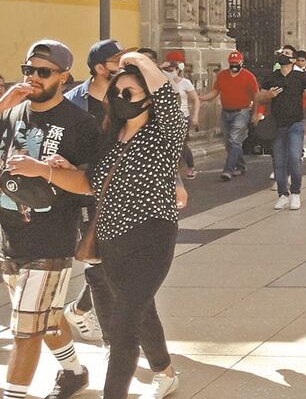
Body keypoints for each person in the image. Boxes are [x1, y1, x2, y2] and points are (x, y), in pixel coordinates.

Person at [82, 50, 188, 398]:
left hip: (151, 238)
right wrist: (51, 170)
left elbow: (168, 98)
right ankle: (166, 371)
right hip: (111, 242)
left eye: (130, 93)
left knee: (123, 325)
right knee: (141, 311)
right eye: (117, 94)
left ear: (148, 97)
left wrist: (137, 60)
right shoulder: (108, 139)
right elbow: (90, 184)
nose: (121, 99)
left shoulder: (163, 135)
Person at [0, 40, 100, 399]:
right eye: (29, 70)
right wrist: (2, 106)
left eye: (44, 72)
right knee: (45, 318)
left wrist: (42, 170)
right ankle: (74, 372)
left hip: (51, 239)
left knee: (25, 329)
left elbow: (91, 184)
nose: (34, 78)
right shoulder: (11, 114)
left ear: (64, 76)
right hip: (10, 237)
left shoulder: (81, 124)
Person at [63, 39, 130, 345]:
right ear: (100, 68)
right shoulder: (73, 103)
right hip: (87, 192)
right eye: (117, 60)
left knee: (117, 264)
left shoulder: (128, 95)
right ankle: (112, 342)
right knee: (101, 267)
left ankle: (78, 309)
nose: (123, 64)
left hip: (123, 190)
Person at [260, 45, 306, 211]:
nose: (282, 55)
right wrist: (268, 95)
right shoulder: (271, 77)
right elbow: (259, 97)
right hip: (277, 124)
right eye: (282, 53)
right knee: (278, 161)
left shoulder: (301, 77)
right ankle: (283, 194)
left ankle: (296, 193)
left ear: (293, 59)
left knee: (294, 157)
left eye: (287, 54)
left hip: (296, 123)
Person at [200, 51, 259, 181]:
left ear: (241, 63)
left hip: (241, 112)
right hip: (226, 112)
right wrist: (202, 98)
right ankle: (241, 166)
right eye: (231, 63)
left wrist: (255, 113)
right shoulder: (222, 76)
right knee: (229, 143)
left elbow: (256, 95)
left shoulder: (249, 77)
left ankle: (228, 170)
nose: (234, 65)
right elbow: (216, 91)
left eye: (236, 63)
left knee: (234, 140)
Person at [160, 59, 199, 180]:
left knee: (181, 144)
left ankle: (189, 166)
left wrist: (195, 116)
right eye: (166, 70)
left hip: (183, 116)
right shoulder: (162, 81)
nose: (168, 73)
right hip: (167, 117)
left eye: (171, 70)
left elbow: (195, 100)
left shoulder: (185, 83)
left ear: (177, 70)